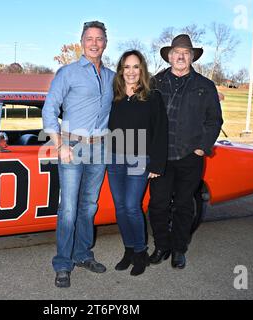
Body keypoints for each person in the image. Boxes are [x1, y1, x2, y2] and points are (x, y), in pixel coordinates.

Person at [42, 21, 115, 288]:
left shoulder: (111, 77)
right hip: (71, 146)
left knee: (89, 207)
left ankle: (83, 255)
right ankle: (63, 263)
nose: (94, 43)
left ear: (105, 43)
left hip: (100, 148)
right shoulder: (68, 73)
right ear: (81, 42)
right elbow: (49, 109)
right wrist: (59, 144)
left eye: (99, 38)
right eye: (89, 38)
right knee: (69, 209)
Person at [149, 34, 223, 269]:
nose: (180, 56)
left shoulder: (205, 85)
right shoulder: (154, 83)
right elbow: (145, 117)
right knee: (158, 204)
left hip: (190, 156)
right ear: (169, 57)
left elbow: (214, 120)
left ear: (192, 57)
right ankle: (161, 245)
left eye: (185, 53)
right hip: (161, 157)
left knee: (183, 205)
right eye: (176, 53)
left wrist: (202, 148)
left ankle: (179, 249)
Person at [107, 50, 168, 276]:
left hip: (140, 158)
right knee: (120, 208)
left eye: (135, 67)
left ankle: (141, 252)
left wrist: (156, 165)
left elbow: (161, 132)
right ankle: (129, 250)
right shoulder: (113, 95)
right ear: (120, 70)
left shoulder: (152, 96)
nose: (131, 72)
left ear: (141, 70)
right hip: (114, 158)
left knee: (132, 206)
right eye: (126, 67)